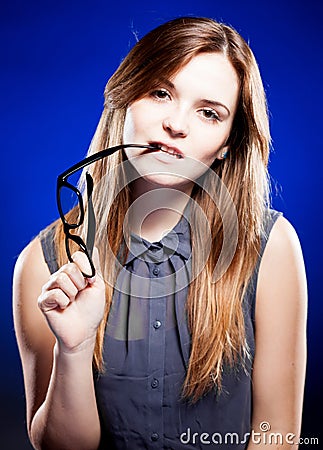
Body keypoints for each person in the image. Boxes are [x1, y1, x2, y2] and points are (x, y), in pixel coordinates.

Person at [13, 16, 307, 450]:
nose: (177, 124)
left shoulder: (271, 247)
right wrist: (72, 351)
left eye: (209, 113)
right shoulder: (44, 262)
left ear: (228, 141)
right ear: (127, 96)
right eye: (161, 92)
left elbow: (277, 437)